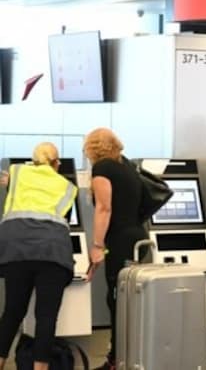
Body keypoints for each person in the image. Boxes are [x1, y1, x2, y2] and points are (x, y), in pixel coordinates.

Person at [0, 143, 78, 370]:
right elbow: (65, 221)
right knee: (46, 316)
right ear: (56, 163)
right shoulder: (67, 186)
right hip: (52, 252)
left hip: (16, 250)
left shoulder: (17, 172)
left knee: (12, 312)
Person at [83, 128, 145, 370]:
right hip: (138, 237)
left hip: (119, 241)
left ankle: (116, 361)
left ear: (93, 148)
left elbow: (104, 208)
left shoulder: (103, 169)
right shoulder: (128, 167)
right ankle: (128, 357)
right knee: (130, 302)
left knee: (117, 300)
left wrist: (97, 245)